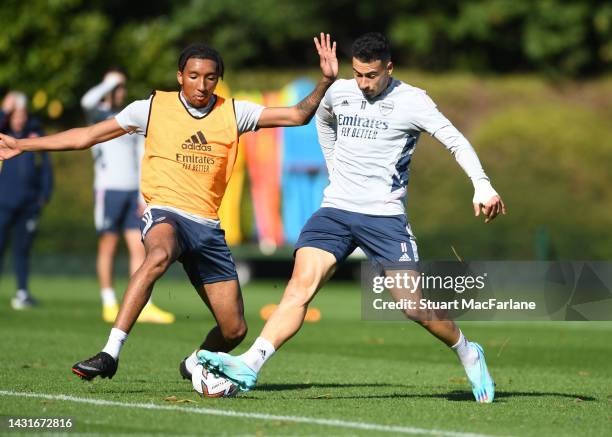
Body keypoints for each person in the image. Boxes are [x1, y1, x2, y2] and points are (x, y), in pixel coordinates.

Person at [0, 33, 338, 381]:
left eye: (210, 77)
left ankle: (194, 363)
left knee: (235, 330)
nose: (201, 85)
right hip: (166, 213)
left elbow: (298, 115)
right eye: (193, 76)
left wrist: (325, 80)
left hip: (207, 227)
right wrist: (23, 145)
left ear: (218, 79)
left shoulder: (235, 112)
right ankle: (109, 353)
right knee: (158, 255)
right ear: (180, 76)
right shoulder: (149, 108)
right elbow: (86, 136)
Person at [196, 33, 505, 403]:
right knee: (299, 288)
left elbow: (455, 140)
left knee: (413, 306)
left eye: (371, 75)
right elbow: (322, 120)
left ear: (388, 68)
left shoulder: (413, 101)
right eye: (358, 74)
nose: (363, 83)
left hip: (384, 216)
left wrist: (482, 185)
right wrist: (334, 165)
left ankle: (468, 351)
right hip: (336, 210)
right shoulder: (339, 92)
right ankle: (250, 364)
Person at [81, 69, 175, 324]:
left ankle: (143, 303)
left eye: (121, 86)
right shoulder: (98, 114)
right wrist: (109, 82)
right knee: (108, 246)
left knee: (139, 247)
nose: (119, 91)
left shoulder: (128, 118)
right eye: (115, 87)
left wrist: (142, 194)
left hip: (131, 192)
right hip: (108, 190)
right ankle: (108, 301)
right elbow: (86, 101)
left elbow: (140, 156)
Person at [0, 92, 53, 309]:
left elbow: (46, 168)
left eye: (22, 114)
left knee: (22, 250)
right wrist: (3, 110)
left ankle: (22, 293)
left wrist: (44, 195)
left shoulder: (35, 134)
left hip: (29, 205)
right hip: (3, 203)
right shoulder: (4, 134)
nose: (19, 119)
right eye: (15, 114)